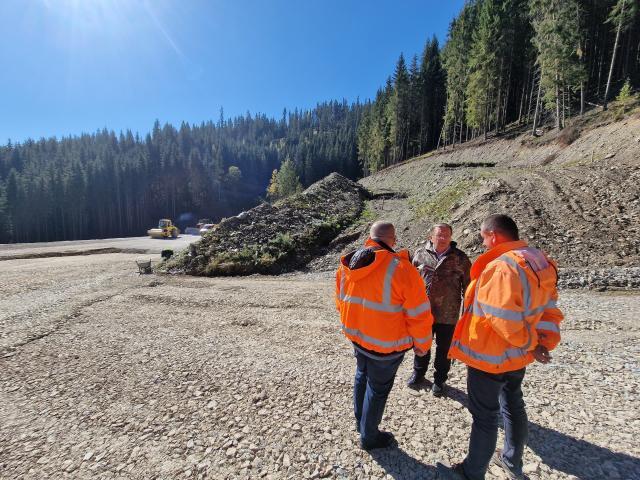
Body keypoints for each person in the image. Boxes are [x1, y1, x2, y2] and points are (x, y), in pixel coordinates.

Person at [437, 214, 563, 480]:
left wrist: (532, 344)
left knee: (485, 417)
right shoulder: (540, 261)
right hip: (519, 356)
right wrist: (541, 342)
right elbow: (549, 307)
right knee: (514, 404)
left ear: (493, 236)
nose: (483, 244)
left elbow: (503, 319)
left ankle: (472, 472)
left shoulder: (502, 267)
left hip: (490, 355)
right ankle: (511, 461)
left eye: (483, 238)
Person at [336, 221, 434, 450]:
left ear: (370, 237)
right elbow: (419, 313)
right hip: (386, 345)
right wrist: (422, 344)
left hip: (358, 337)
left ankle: (361, 422)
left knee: (361, 375)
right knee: (378, 389)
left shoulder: (350, 262)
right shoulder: (402, 269)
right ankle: (369, 437)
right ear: (393, 240)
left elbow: (340, 300)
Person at [408, 223, 471, 396]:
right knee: (422, 344)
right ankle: (418, 373)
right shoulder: (420, 255)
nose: (442, 238)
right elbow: (410, 282)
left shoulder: (460, 258)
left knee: (444, 349)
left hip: (448, 314)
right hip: (423, 312)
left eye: (446, 235)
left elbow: (469, 286)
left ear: (451, 237)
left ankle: (440, 380)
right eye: (439, 235)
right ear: (431, 237)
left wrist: (468, 311)